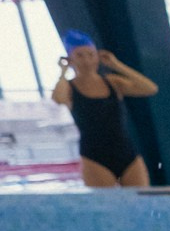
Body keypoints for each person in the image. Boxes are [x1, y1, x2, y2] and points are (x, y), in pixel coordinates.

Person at [51, 31, 157, 189]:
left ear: (98, 57)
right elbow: (58, 98)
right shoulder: (69, 87)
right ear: (70, 59)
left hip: (127, 153)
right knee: (106, 208)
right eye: (79, 55)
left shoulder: (113, 83)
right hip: (94, 158)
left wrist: (116, 65)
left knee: (141, 204)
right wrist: (63, 71)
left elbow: (150, 88)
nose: (87, 60)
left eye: (91, 54)